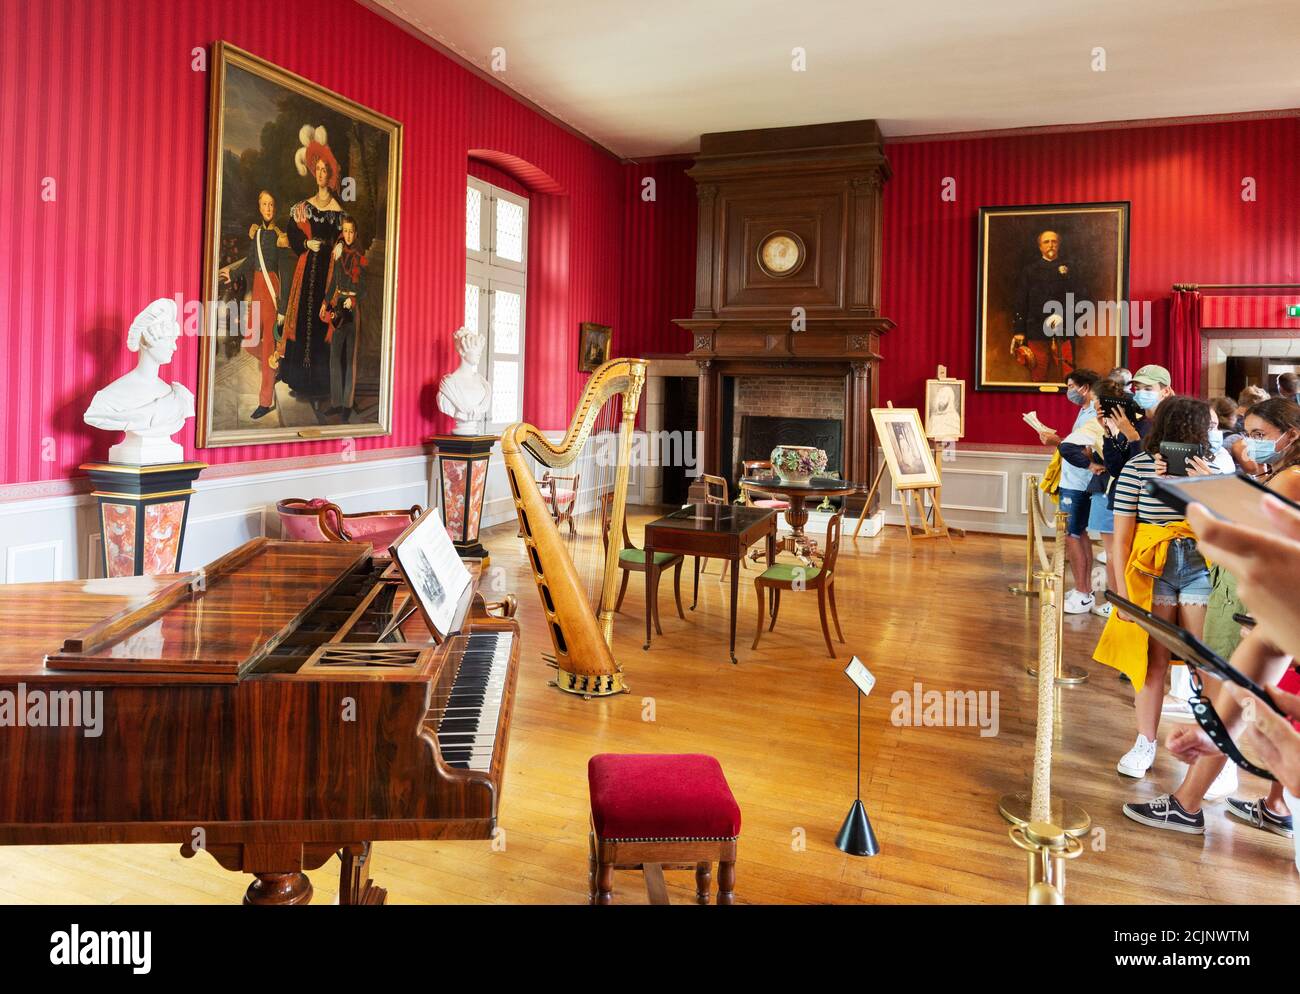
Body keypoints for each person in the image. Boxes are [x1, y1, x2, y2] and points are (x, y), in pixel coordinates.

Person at [1093, 397, 1218, 779]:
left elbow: (1226, 529)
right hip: (1152, 569)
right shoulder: (1136, 468)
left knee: (1205, 662)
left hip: (1200, 565)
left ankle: (1212, 747)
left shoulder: (1211, 471)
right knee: (1153, 660)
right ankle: (1144, 741)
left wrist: (1200, 485)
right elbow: (1122, 537)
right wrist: (1124, 596)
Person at [280, 125, 344, 403]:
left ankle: (321, 383)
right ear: (313, 172)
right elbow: (292, 233)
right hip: (306, 275)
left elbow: (347, 236)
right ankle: (299, 380)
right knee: (304, 320)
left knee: (323, 323)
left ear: (330, 173)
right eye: (317, 169)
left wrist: (341, 244)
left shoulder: (339, 211)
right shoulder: (302, 207)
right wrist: (306, 244)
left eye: (324, 170)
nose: (321, 174)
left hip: (328, 277)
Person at [218, 189, 289, 421]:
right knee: (249, 342)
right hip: (257, 289)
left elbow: (286, 272)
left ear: (275, 208)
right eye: (264, 204)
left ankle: (265, 401)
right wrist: (233, 273)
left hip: (271, 290)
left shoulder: (280, 236)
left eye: (271, 204)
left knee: (268, 345)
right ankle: (275, 364)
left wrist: (282, 305)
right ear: (259, 207)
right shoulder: (256, 234)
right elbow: (250, 261)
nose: (268, 208)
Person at [1053, 369, 1103, 613]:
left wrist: (1057, 442)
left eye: (1072, 386)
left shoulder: (1095, 413)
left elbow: (1086, 451)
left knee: (1072, 535)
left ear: (1085, 387)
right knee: (1078, 534)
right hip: (1074, 480)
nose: (1069, 391)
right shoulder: (1086, 411)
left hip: (1079, 482)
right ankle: (1084, 590)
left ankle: (1083, 592)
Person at [1010, 230, 1083, 384]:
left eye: (1054, 241)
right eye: (1046, 242)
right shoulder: (1029, 271)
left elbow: (1079, 297)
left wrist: (1062, 315)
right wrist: (1019, 330)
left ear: (1059, 245)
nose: (1051, 245)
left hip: (1064, 328)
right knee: (1038, 373)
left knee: (1068, 375)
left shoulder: (1071, 268)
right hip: (1036, 329)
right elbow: (1021, 301)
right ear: (1040, 247)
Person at [320, 215, 367, 418]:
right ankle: (336, 402)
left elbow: (364, 288)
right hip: (339, 306)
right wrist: (325, 303)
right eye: (345, 231)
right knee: (334, 357)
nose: (348, 234)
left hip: (353, 309)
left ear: (355, 234)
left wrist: (354, 301)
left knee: (350, 359)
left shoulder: (361, 257)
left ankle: (347, 405)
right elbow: (332, 284)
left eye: (351, 231)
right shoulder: (338, 254)